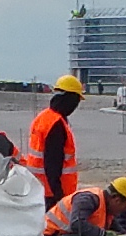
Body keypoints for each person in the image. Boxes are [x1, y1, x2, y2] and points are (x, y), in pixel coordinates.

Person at [16, 74, 83, 209]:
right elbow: (52, 164)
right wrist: (59, 197)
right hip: (52, 193)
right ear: (69, 99)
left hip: (38, 187)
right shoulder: (56, 124)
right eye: (76, 102)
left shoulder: (44, 117)